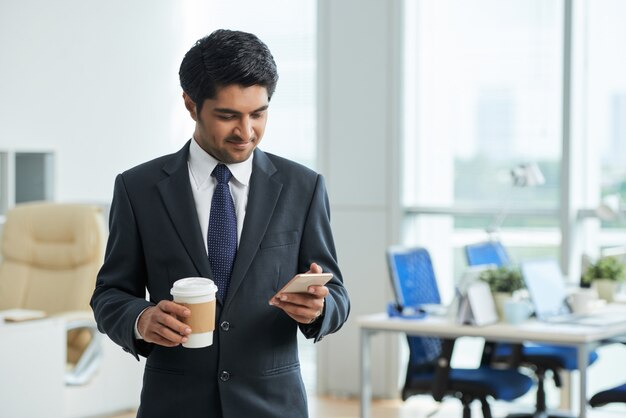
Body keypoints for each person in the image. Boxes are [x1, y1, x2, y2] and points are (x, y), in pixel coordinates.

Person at [90, 29, 350, 418]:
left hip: (273, 406)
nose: (246, 133)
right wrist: (141, 320)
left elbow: (339, 296)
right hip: (174, 405)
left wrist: (319, 310)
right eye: (228, 116)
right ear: (191, 105)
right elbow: (109, 293)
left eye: (258, 114)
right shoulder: (137, 188)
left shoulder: (304, 187)